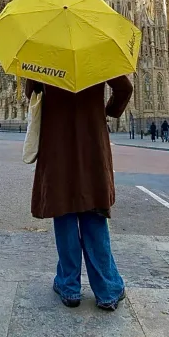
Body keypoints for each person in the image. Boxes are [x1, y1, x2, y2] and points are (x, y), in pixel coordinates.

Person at [25, 75, 133, 311]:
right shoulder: (96, 50)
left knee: (62, 211)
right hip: (91, 142)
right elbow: (124, 88)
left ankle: (69, 287)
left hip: (57, 143)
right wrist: (106, 111)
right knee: (93, 212)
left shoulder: (45, 53)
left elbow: (31, 93)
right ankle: (107, 289)